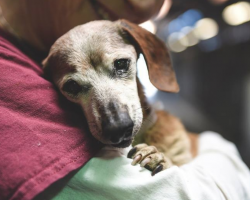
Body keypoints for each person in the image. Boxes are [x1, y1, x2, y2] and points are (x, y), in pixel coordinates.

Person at [0, 1, 249, 200]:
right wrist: (219, 148)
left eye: (120, 65)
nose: (116, 123)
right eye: (74, 86)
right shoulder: (17, 73)